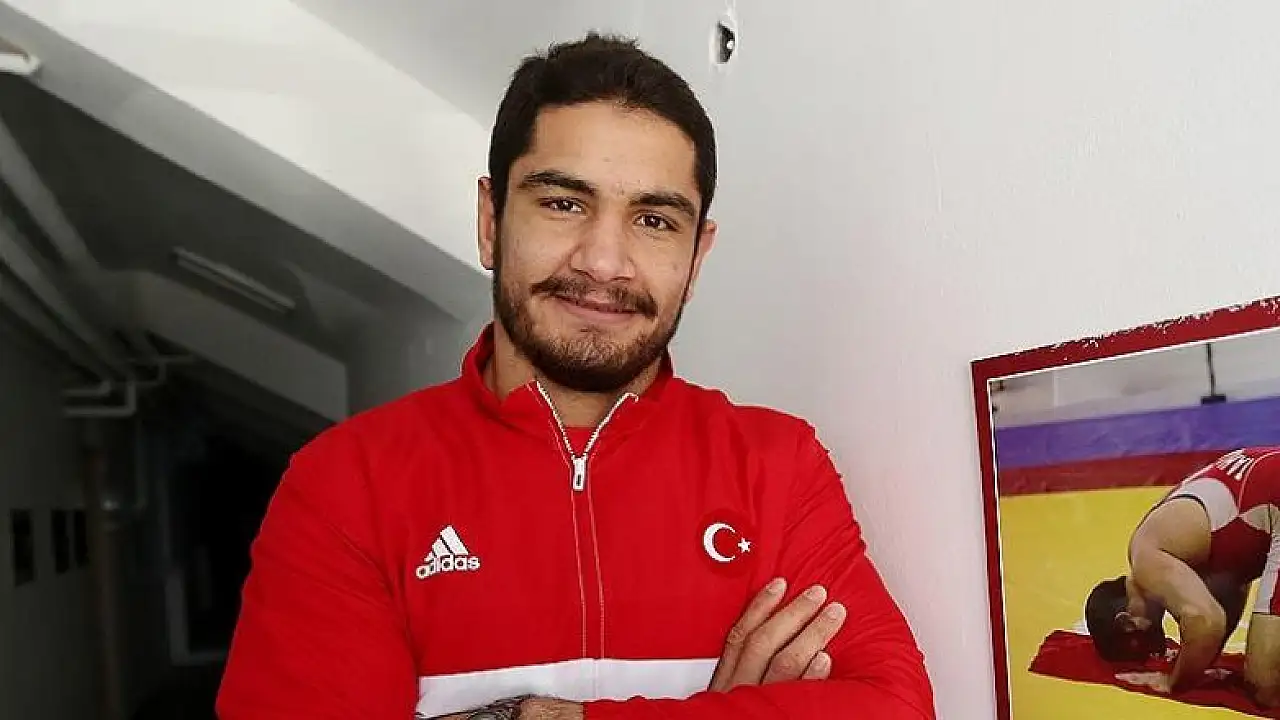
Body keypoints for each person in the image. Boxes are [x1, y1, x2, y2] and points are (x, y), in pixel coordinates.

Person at [215, 31, 933, 720]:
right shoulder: (347, 485)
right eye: (563, 203)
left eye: (654, 220)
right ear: (491, 221)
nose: (604, 262)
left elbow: (895, 706)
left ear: (697, 255)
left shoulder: (776, 468)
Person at [1084, 446, 1280, 704]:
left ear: (1128, 623)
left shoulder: (1146, 557)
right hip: (1265, 480)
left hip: (1273, 496)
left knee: (1265, 688)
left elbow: (1206, 623)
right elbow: (1231, 589)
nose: (1158, 643)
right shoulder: (1165, 533)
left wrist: (1173, 682)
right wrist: (1202, 658)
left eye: (1144, 644)